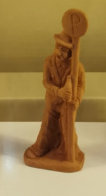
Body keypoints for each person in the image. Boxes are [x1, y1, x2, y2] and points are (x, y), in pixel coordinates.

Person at [25, 27, 85, 162]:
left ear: (71, 53)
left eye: (63, 49)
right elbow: (46, 82)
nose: (58, 51)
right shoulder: (49, 62)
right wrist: (59, 92)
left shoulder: (77, 68)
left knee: (67, 127)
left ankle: (70, 151)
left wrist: (76, 100)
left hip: (67, 103)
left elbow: (80, 86)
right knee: (47, 125)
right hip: (52, 100)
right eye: (57, 46)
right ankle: (40, 148)